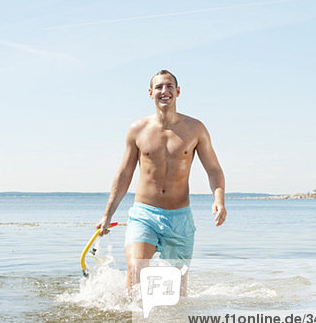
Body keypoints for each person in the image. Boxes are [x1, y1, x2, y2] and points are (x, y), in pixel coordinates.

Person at [96, 69, 226, 290]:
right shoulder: (137, 129)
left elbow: (213, 169)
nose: (164, 91)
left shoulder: (196, 128)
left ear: (178, 91)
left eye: (168, 86)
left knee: (176, 290)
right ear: (150, 93)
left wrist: (219, 200)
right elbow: (124, 174)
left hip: (180, 219)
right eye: (158, 87)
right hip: (144, 214)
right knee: (136, 273)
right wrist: (108, 214)